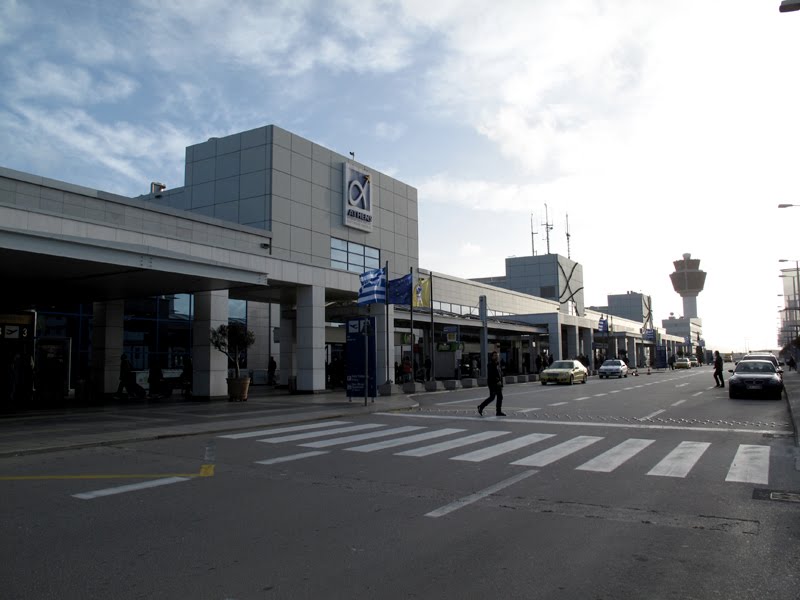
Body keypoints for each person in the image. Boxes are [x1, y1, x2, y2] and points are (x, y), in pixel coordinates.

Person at [477, 351, 505, 417]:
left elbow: (500, 374)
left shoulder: (497, 364)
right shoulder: (490, 364)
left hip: (498, 384)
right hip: (493, 384)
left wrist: (501, 384)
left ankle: (498, 411)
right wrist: (497, 381)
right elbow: (492, 375)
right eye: (495, 355)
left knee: (499, 397)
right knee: (492, 397)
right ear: (492, 357)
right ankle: (481, 407)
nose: (496, 356)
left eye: (497, 355)